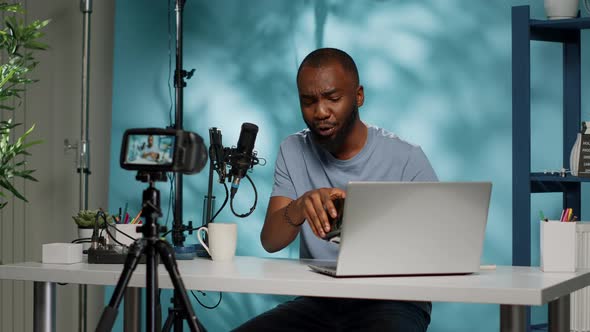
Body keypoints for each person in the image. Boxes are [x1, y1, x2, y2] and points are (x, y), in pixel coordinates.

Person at [234, 48, 437, 332]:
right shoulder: (293, 149)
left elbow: (437, 244)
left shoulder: (406, 157)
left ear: (358, 96)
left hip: (394, 299)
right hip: (319, 300)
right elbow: (271, 241)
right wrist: (301, 205)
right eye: (308, 101)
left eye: (333, 98)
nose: (320, 112)